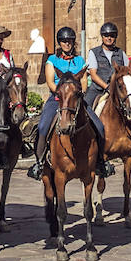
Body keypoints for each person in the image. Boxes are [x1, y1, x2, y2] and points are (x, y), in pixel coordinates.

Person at [26, 27, 113, 179]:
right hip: (57, 99)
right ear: (60, 43)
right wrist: (61, 93)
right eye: (64, 41)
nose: (67, 44)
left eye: (70, 41)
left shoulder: (79, 60)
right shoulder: (52, 60)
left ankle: (100, 162)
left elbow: (85, 81)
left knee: (98, 126)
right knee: (43, 127)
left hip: (76, 99)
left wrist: (79, 94)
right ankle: (39, 163)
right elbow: (50, 82)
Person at [84, 22, 128, 109]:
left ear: (115, 37)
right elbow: (93, 75)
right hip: (97, 90)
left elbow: (126, 72)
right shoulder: (94, 52)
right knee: (86, 108)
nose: (109, 38)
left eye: (112, 35)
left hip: (117, 90)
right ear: (102, 37)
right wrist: (107, 87)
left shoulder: (121, 53)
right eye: (106, 35)